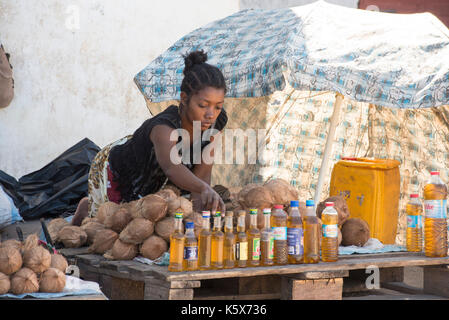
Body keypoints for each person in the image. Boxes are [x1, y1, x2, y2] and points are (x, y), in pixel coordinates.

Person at [72, 50, 227, 226]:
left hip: (157, 176)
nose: (211, 114)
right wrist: (202, 188)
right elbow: (171, 167)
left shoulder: (215, 124)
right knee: (115, 224)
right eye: (203, 105)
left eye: (218, 107)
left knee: (160, 220)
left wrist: (201, 217)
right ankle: (86, 207)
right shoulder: (164, 128)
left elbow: (203, 172)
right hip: (122, 170)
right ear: (184, 99)